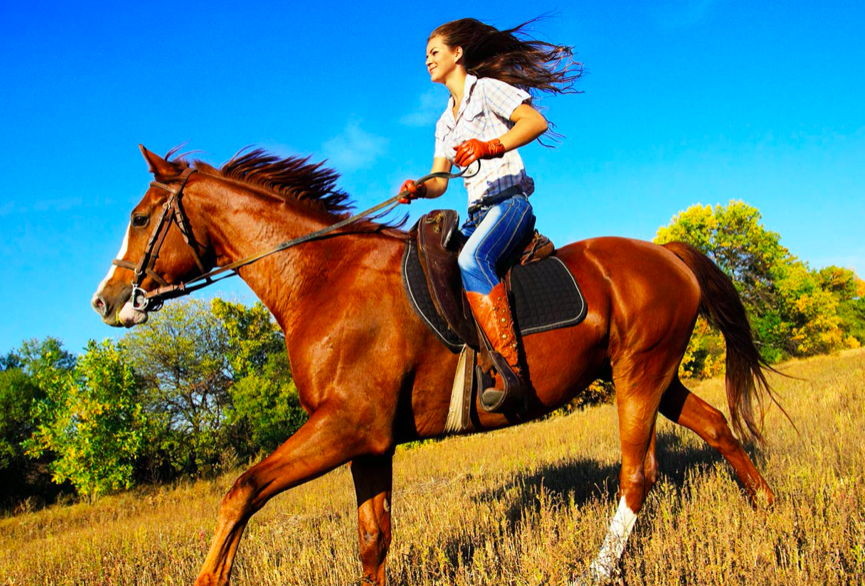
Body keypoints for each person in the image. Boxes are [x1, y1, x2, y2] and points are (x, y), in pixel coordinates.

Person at [400, 17, 580, 413]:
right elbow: (440, 180)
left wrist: (490, 146)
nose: (427, 60)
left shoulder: (487, 91)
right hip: (476, 215)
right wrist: (418, 188)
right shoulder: (444, 122)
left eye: (434, 52)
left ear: (457, 54)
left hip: (509, 204)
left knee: (470, 258)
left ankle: (510, 372)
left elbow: (535, 122)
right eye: (425, 55)